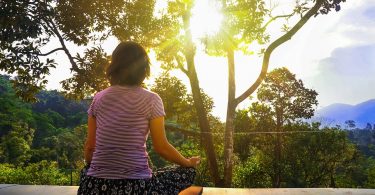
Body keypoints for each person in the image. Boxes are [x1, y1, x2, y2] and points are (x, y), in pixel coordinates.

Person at [77, 41, 201, 195]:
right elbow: (161, 147)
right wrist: (188, 162)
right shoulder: (152, 99)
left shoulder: (98, 98)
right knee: (188, 172)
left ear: (114, 67)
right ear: (144, 69)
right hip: (137, 187)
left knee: (87, 169)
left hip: (94, 187)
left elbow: (90, 147)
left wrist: (95, 169)